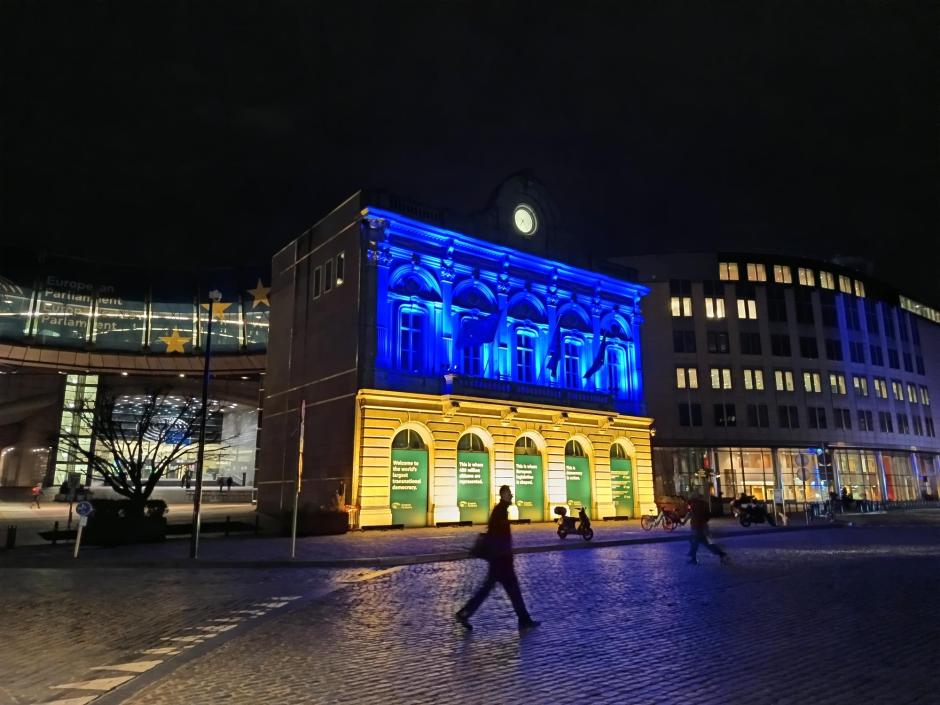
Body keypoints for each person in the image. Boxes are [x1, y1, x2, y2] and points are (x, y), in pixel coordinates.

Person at [456, 485, 539, 631]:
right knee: (507, 591)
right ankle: (524, 620)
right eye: (509, 494)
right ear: (503, 495)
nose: (512, 496)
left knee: (502, 591)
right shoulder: (500, 511)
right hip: (501, 560)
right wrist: (503, 553)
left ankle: (465, 613)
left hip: (500, 559)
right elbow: (497, 535)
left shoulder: (501, 510)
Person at [687, 494, 729, 565]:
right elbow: (707, 515)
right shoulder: (704, 504)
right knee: (703, 543)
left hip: (697, 527)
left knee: (698, 543)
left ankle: (693, 558)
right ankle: (721, 554)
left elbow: (693, 515)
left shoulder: (695, 505)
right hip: (701, 526)